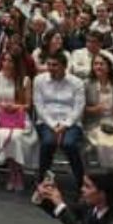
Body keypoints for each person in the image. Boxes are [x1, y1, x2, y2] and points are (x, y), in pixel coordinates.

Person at [33, 51, 87, 190]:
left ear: (64, 66)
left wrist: (65, 125)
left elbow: (78, 107)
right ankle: (42, 181)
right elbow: (39, 106)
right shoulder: (39, 80)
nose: (50, 68)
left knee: (69, 144)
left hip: (71, 122)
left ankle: (82, 183)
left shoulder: (77, 83)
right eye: (49, 64)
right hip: (46, 121)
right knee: (48, 143)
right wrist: (52, 125)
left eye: (55, 65)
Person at [0, 53, 38, 192]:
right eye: (4, 60)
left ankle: (17, 173)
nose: (6, 63)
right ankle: (13, 173)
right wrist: (2, 105)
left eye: (10, 61)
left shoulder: (25, 79)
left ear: (16, 63)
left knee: (16, 137)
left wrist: (16, 106)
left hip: (20, 118)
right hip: (1, 117)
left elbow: (28, 105)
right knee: (3, 135)